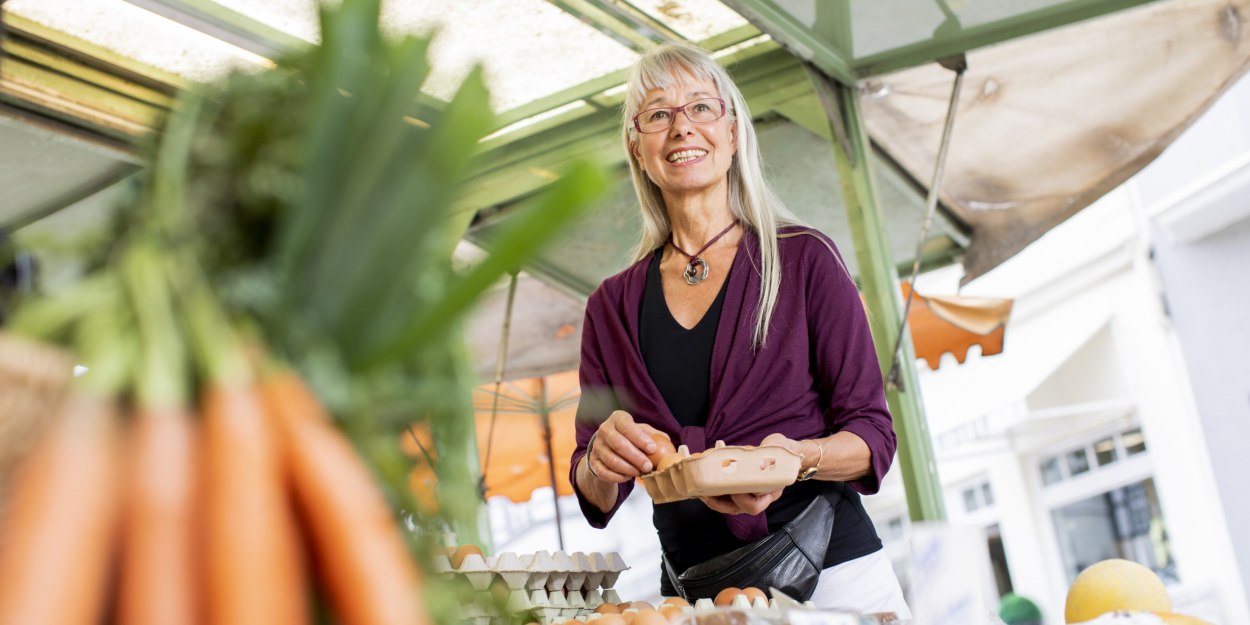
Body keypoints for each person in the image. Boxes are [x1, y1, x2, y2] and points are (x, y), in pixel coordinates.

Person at [568, 41, 910, 617]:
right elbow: (593, 489)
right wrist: (601, 461)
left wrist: (797, 457)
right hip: (695, 595)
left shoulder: (804, 260)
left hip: (832, 576)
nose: (682, 127)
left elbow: (873, 436)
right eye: (658, 114)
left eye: (702, 108)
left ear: (731, 134)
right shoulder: (610, 308)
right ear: (638, 146)